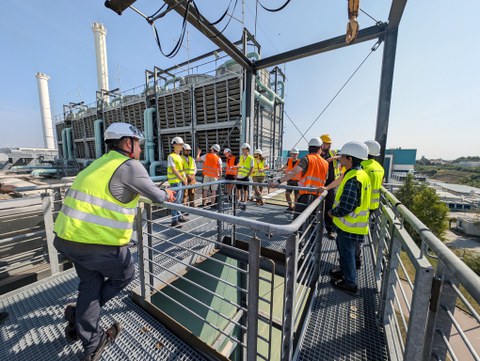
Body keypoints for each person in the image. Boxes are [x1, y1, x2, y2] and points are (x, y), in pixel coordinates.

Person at [53, 122, 175, 361]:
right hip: (95, 244)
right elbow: (159, 196)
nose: (140, 148)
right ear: (127, 143)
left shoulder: (97, 165)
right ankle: (80, 316)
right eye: (138, 143)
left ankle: (90, 337)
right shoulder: (130, 166)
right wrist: (167, 193)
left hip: (68, 239)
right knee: (126, 274)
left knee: (91, 284)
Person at [327, 141, 371, 296]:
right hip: (354, 225)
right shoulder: (360, 174)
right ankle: (344, 272)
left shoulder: (354, 178)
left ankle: (350, 283)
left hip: (349, 226)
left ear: (350, 159)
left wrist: (332, 213)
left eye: (342, 156)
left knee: (347, 253)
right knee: (347, 253)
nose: (340, 159)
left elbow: (346, 206)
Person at [270, 138, 328, 220]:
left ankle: (299, 233)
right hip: (317, 197)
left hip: (305, 195)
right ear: (320, 148)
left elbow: (293, 172)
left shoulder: (307, 159)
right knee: (313, 220)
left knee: (299, 219)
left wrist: (278, 181)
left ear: (309, 148)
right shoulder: (325, 163)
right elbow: (326, 178)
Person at [358, 140, 385, 268]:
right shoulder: (379, 167)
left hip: (362, 204)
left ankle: (357, 258)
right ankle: (358, 256)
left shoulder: (363, 165)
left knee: (356, 233)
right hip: (373, 205)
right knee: (363, 230)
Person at [320, 134, 341, 240]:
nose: (326, 145)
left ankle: (330, 230)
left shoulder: (333, 153)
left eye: (328, 144)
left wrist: (334, 158)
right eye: (325, 143)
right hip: (319, 184)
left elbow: (342, 157)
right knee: (315, 206)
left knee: (329, 207)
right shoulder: (317, 153)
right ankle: (314, 227)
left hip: (331, 185)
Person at [168, 137, 188, 227]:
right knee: (175, 201)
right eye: (179, 145)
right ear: (174, 145)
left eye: (181, 145)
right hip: (175, 182)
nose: (181, 146)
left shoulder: (179, 157)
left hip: (180, 182)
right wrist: (183, 179)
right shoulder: (171, 156)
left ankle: (179, 216)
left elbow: (182, 170)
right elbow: (174, 170)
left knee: (179, 201)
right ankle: (174, 221)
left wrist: (185, 178)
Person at [281, 148, 300, 212]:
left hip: (298, 181)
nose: (294, 155)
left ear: (297, 154)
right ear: (291, 154)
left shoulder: (300, 162)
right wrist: (281, 169)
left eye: (295, 154)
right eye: (293, 154)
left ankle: (295, 207)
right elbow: (286, 166)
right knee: (287, 194)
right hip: (290, 180)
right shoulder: (289, 160)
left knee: (296, 196)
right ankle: (290, 206)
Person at [236, 143, 254, 211]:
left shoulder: (251, 158)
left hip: (245, 176)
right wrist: (237, 174)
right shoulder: (241, 157)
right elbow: (239, 166)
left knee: (245, 190)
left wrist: (247, 175)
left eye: (244, 149)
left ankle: (244, 202)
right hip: (239, 176)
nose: (243, 151)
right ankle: (238, 201)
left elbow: (252, 168)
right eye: (242, 149)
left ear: (247, 150)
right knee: (238, 189)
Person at [182, 143, 197, 208]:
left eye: (189, 150)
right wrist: (186, 175)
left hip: (192, 178)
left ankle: (192, 205)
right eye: (187, 150)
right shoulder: (180, 158)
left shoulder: (192, 159)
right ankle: (184, 207)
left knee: (192, 192)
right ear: (183, 150)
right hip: (184, 178)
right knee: (185, 193)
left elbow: (195, 167)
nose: (188, 152)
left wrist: (193, 174)